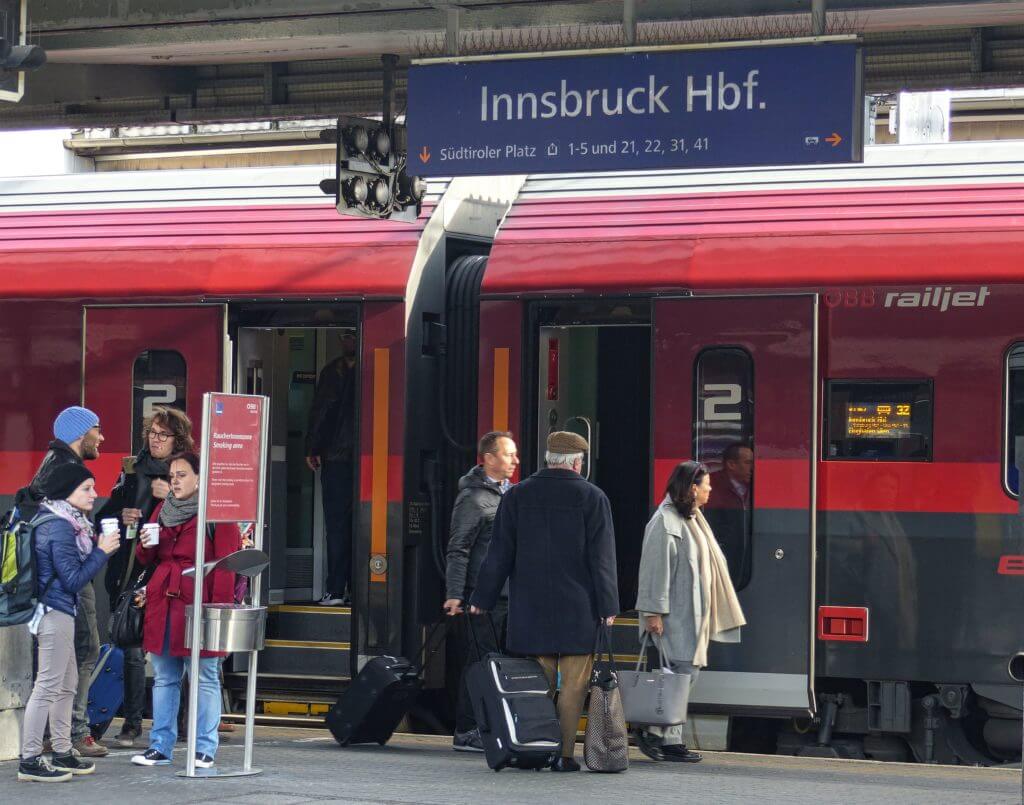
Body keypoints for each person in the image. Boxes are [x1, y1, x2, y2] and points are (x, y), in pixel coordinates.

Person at [470, 431, 618, 773]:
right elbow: (602, 560)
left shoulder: (517, 496)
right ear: (578, 462)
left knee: (539, 685)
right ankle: (564, 755)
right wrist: (608, 606)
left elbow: (499, 553)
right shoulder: (593, 498)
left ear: (549, 458)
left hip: (532, 609)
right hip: (579, 610)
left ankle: (537, 747)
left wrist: (482, 598)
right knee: (574, 687)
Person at [130, 452, 241, 769]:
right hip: (164, 600)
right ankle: (160, 746)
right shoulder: (162, 510)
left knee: (204, 676)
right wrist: (147, 543)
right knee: (165, 677)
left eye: (181, 475)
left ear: (199, 478)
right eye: (171, 475)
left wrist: (217, 611)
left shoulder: (218, 514)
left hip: (199, 601)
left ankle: (205, 747)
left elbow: (226, 566)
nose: (174, 481)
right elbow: (143, 558)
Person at [93, 406, 194, 748]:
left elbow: (197, 522)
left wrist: (170, 500)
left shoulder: (185, 474)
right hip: (130, 568)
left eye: (163, 435)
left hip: (166, 570)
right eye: (152, 433)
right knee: (132, 645)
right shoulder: (131, 469)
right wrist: (122, 514)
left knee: (175, 646)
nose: (155, 440)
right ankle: (132, 723)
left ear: (177, 439)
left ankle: (181, 723)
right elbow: (104, 514)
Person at [634, 460, 746, 763]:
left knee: (683, 675)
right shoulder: (665, 522)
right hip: (675, 617)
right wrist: (653, 613)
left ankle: (663, 735)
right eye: (706, 485)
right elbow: (654, 571)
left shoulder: (691, 518)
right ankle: (662, 736)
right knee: (680, 675)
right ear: (692, 488)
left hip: (690, 615)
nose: (710, 489)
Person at [17, 464, 119, 783]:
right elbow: (73, 579)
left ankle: (61, 750)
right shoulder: (60, 526)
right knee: (49, 684)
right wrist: (101, 552)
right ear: (67, 492)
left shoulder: (64, 521)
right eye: (87, 488)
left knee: (66, 683)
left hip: (58, 610)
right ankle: (31, 758)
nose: (94, 494)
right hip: (55, 611)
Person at [442, 431, 519, 753]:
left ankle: (492, 725)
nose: (515, 460)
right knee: (478, 662)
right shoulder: (473, 498)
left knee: (499, 662)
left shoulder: (511, 494)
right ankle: (467, 729)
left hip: (507, 595)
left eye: (515, 454)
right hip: (479, 597)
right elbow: (458, 548)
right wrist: (455, 593)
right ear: (488, 458)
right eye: (508, 454)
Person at [305, 331, 357, 606]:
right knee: (359, 526)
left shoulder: (331, 372)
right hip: (365, 459)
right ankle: (352, 588)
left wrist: (312, 448)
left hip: (336, 459)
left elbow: (320, 412)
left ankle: (336, 590)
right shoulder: (376, 369)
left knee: (336, 527)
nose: (347, 341)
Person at [704, 443, 754, 583]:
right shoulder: (710, 487)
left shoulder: (753, 487)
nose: (753, 468)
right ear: (731, 464)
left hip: (745, 558)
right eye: (748, 462)